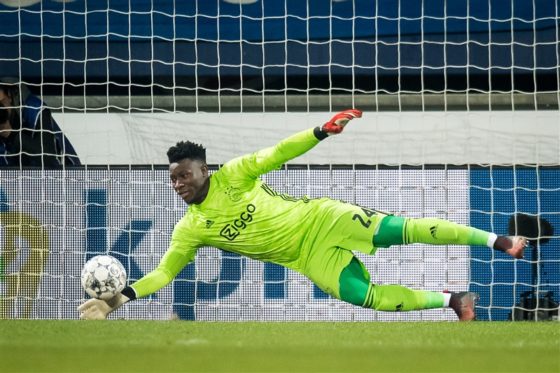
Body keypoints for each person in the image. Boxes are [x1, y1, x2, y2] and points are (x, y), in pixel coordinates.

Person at [78, 109, 527, 321]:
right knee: (362, 297)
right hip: (305, 258)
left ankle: (497, 241)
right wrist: (119, 299)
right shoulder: (190, 229)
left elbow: (279, 152)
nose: (179, 184)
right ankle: (453, 300)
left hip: (321, 219)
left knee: (403, 231)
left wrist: (320, 131)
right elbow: (162, 273)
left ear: (204, 170)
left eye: (185, 175)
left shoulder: (235, 175)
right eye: (173, 179)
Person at [0, 78, 81, 167]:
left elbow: (49, 158)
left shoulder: (34, 108)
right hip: (23, 176)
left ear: (10, 94)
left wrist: (9, 133)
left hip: (66, 173)